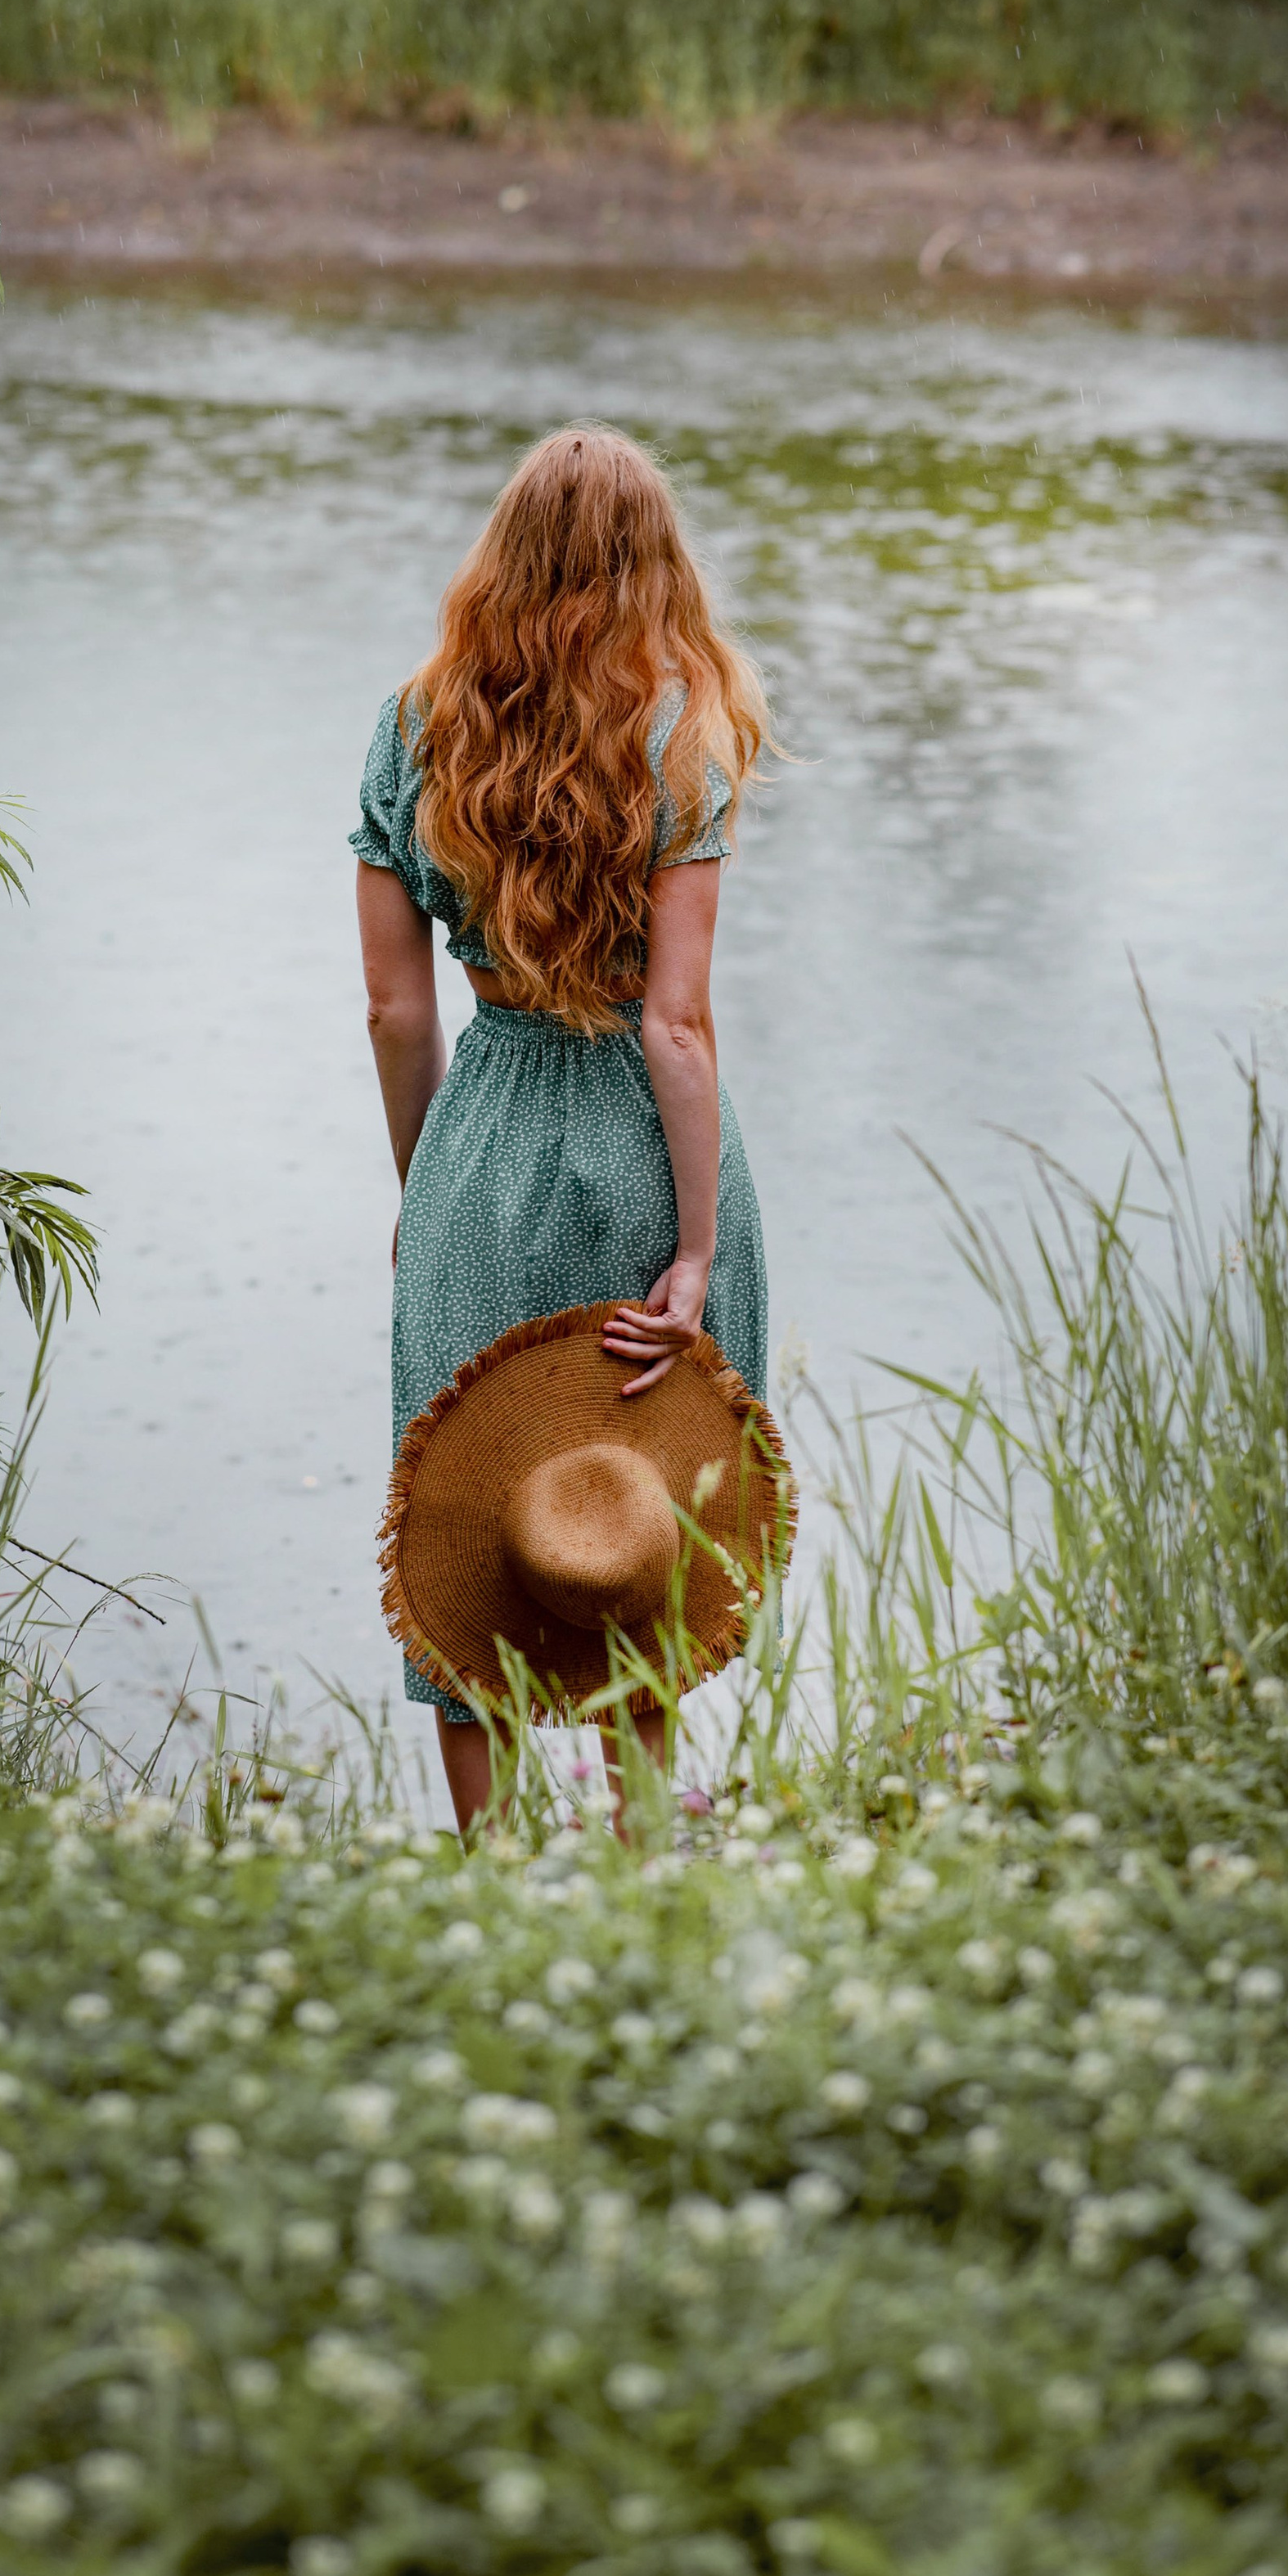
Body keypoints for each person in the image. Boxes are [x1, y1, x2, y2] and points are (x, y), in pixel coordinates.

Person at [352, 421, 772, 1833]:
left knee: (469, 1511)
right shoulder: (681, 733)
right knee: (628, 1497)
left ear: (504, 553)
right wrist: (697, 1251)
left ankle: (491, 1859)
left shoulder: (412, 728)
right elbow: (677, 1023)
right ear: (658, 564)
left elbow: (394, 1011)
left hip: (481, 1139)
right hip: (642, 1150)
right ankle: (643, 1838)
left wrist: (426, 1186)